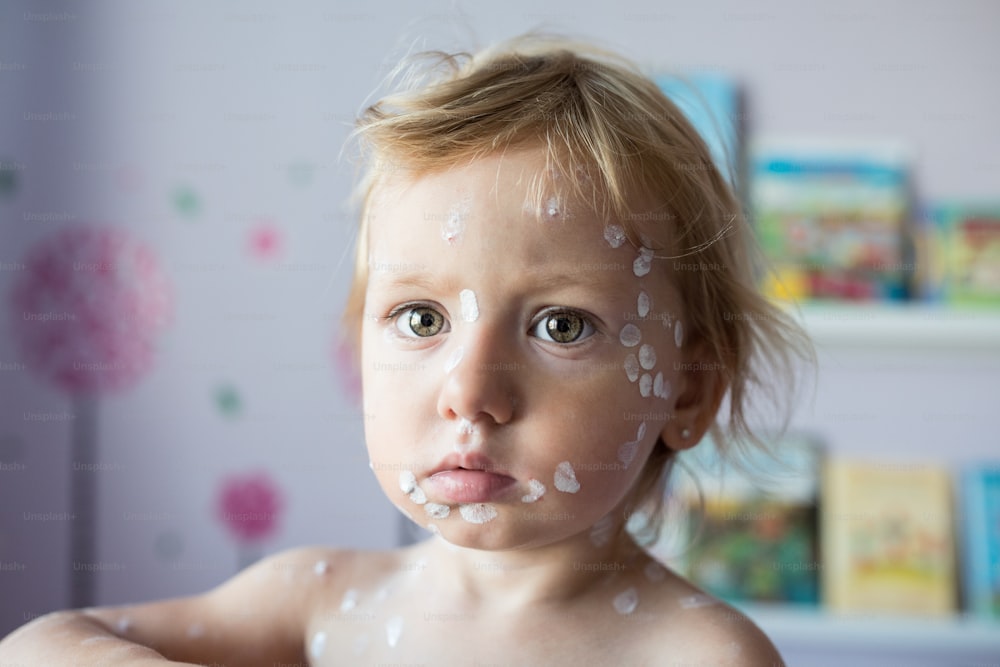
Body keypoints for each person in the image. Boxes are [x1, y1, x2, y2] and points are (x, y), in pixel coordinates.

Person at [0, 33, 809, 665]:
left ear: (687, 390)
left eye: (560, 325)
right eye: (422, 319)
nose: (469, 389)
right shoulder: (313, 604)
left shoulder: (703, 656)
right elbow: (33, 647)